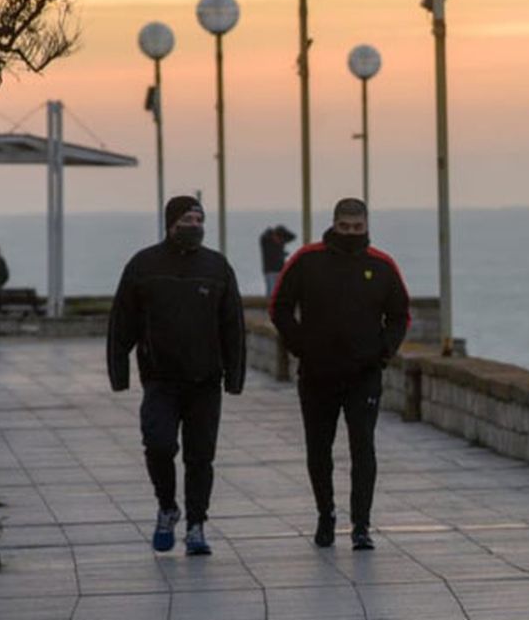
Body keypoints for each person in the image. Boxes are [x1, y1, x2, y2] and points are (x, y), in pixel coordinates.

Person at [107, 196, 246, 556]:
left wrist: (235, 376)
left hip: (205, 382)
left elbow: (233, 325)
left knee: (200, 456)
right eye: (187, 218)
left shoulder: (217, 267)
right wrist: (118, 372)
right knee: (159, 444)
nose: (194, 225)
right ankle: (167, 507)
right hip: (160, 380)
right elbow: (122, 321)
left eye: (199, 218)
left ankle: (197, 525)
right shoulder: (144, 265)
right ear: (171, 223)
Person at [270, 198, 408, 550]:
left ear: (366, 226)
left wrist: (383, 352)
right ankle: (325, 515)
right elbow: (279, 307)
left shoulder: (382, 265)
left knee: (363, 447)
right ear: (334, 224)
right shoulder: (306, 260)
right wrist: (301, 346)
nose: (350, 234)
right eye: (344, 227)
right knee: (319, 450)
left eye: (357, 228)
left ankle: (361, 525)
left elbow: (399, 315)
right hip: (317, 374)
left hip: (364, 375)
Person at [259, 224, 296, 296]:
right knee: (271, 293)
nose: (281, 241)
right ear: (274, 235)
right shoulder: (266, 242)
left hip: (280, 270)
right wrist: (271, 232)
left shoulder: (281, 242)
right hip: (270, 271)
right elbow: (263, 237)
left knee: (280, 292)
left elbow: (293, 237)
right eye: (280, 238)